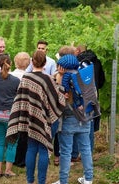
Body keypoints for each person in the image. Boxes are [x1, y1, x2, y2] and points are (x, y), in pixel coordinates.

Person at [6, 50, 66, 184]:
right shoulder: (48, 79)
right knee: (44, 149)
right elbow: (58, 98)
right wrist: (61, 78)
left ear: (32, 62)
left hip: (30, 119)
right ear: (45, 63)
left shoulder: (26, 78)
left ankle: (29, 180)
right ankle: (41, 181)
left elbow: (20, 99)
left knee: (31, 148)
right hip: (47, 120)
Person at [52, 54, 94, 184]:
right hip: (85, 116)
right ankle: (88, 178)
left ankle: (63, 180)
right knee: (86, 148)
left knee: (65, 151)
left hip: (69, 118)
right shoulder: (84, 74)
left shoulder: (65, 79)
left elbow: (59, 99)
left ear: (62, 67)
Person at [71, 45, 106, 162]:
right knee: (89, 125)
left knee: (77, 123)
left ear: (78, 51)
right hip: (93, 97)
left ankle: (75, 153)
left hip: (81, 98)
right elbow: (101, 81)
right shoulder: (97, 61)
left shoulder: (78, 62)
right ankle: (88, 153)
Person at [9, 51, 30, 168]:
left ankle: (10, 158)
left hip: (11, 107)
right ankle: (21, 160)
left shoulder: (10, 75)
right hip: (24, 109)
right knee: (23, 135)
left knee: (12, 133)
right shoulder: (29, 77)